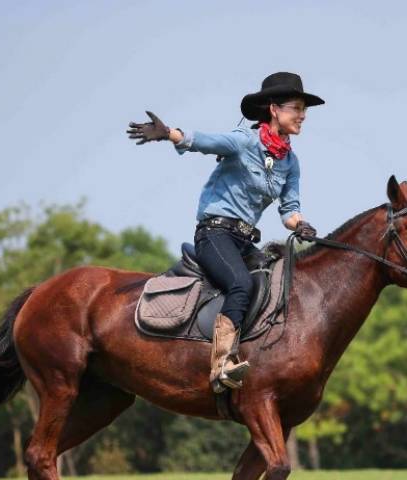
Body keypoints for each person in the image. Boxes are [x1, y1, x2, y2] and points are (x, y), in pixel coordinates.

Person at [127, 72, 324, 393]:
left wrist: (300, 224)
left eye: (305, 110)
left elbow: (289, 211)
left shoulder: (291, 162)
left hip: (245, 241)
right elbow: (205, 141)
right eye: (297, 108)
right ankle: (221, 365)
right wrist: (169, 133)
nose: (303, 116)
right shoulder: (245, 141)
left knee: (276, 283)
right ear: (274, 109)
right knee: (241, 284)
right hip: (214, 235)